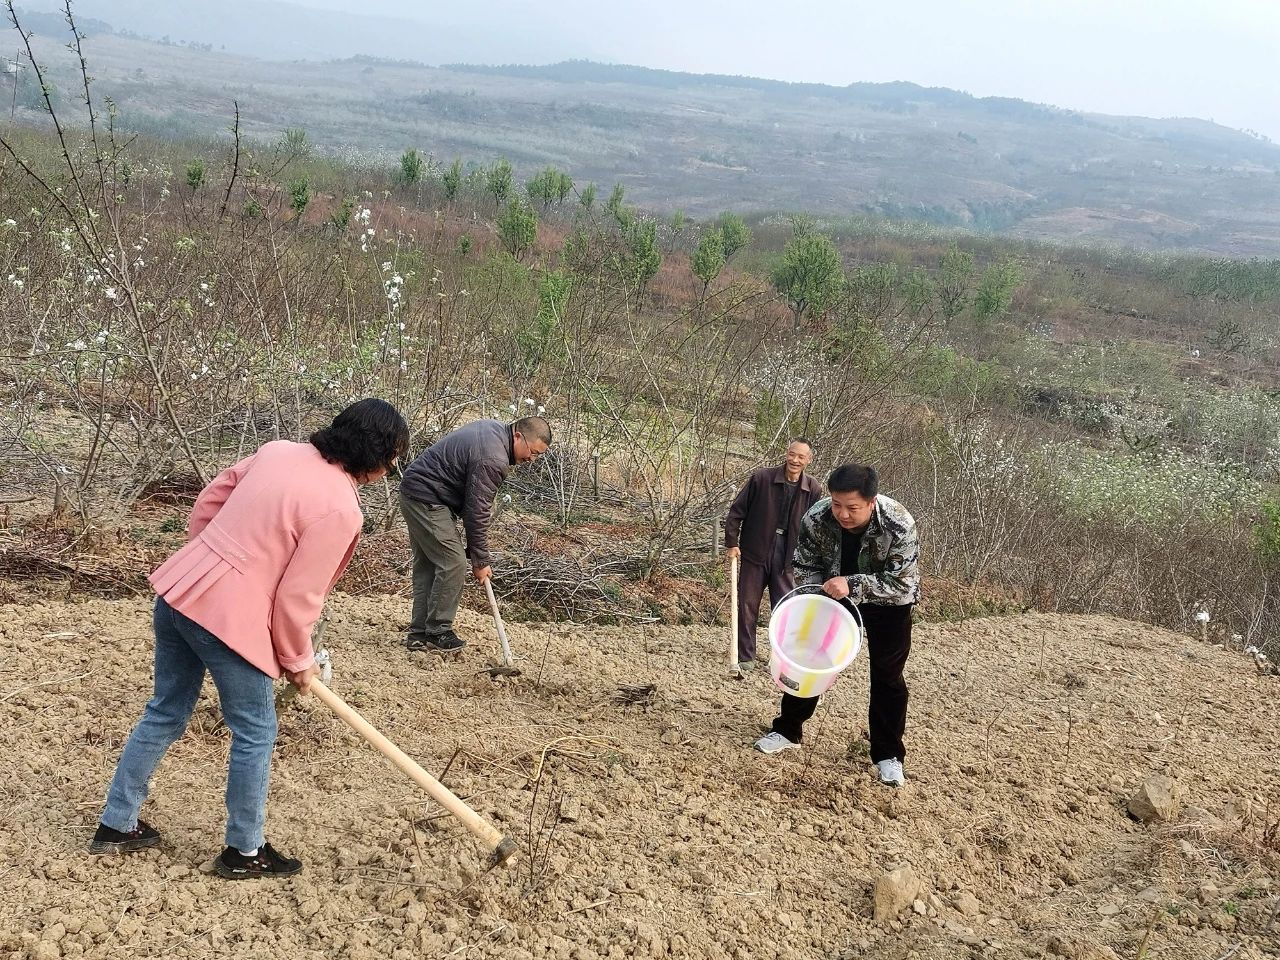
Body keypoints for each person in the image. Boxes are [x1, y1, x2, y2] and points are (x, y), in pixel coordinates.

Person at [90, 398, 409, 877]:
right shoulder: (341, 509)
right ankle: (244, 851)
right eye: (392, 459)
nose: (389, 471)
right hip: (230, 623)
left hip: (181, 590)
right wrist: (298, 659)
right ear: (375, 454)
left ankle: (117, 822)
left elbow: (209, 504)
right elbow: (298, 597)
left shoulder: (278, 451)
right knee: (255, 730)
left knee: (165, 710)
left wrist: (208, 564)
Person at [753, 463, 920, 788]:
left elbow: (901, 583)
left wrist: (852, 584)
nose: (843, 514)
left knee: (888, 676)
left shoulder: (899, 524)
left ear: (871, 502)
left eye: (852, 508)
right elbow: (804, 565)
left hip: (888, 603)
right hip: (830, 594)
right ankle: (787, 730)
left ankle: (888, 755)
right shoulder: (816, 517)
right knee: (809, 659)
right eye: (837, 504)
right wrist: (817, 598)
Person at [398, 416, 551, 651]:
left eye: (538, 456)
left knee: (430, 565)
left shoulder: (494, 431)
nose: (532, 459)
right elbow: (477, 512)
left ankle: (420, 634)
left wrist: (477, 553)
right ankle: (438, 631)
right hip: (426, 497)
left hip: (418, 492)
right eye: (533, 452)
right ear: (518, 436)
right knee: (453, 562)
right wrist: (480, 560)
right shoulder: (493, 458)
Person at [723, 439, 821, 670]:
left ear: (809, 460)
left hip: (788, 555)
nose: (795, 460)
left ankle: (779, 657)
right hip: (756, 548)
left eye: (801, 457)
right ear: (786, 454)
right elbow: (737, 511)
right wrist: (732, 542)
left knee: (785, 608)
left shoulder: (813, 488)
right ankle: (746, 656)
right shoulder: (762, 478)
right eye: (792, 454)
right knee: (747, 604)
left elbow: (815, 526)